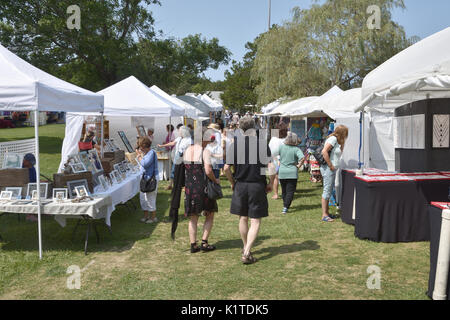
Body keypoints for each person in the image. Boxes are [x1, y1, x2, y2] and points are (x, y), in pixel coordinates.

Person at [224, 117, 275, 265]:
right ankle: (247, 252)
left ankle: (246, 247)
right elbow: (271, 167)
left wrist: (232, 182)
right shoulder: (262, 144)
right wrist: (271, 183)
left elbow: (226, 168)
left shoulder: (235, 145)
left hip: (241, 185)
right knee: (255, 220)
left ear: (240, 129)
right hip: (256, 185)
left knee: (243, 218)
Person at [183, 128, 219, 253]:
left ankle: (193, 244)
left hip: (189, 187)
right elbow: (208, 170)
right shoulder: (205, 151)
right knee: (209, 214)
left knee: (193, 217)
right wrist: (215, 180)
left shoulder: (187, 149)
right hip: (202, 187)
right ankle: (204, 242)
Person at [320, 125, 349, 222]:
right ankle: (324, 215)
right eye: (345, 133)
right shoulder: (333, 139)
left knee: (328, 190)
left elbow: (339, 152)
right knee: (327, 191)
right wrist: (330, 165)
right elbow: (324, 152)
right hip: (329, 169)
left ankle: (327, 213)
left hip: (331, 169)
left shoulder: (337, 140)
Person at [278, 132, 305, 214]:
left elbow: (275, 155)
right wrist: (299, 165)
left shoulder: (281, 147)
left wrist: (280, 162)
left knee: (284, 190)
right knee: (290, 191)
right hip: (292, 172)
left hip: (282, 172)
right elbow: (302, 158)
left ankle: (285, 205)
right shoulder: (296, 149)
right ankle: (286, 206)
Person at [136, 136, 159, 224]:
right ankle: (146, 216)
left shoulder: (151, 153)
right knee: (143, 198)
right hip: (145, 178)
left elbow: (144, 164)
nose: (140, 148)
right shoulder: (147, 153)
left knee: (150, 198)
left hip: (151, 179)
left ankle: (153, 217)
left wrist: (139, 156)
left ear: (144, 146)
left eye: (140, 146)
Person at [159, 123, 182, 190]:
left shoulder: (186, 138)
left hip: (182, 156)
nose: (178, 131)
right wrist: (163, 145)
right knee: (173, 170)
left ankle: (180, 185)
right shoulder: (178, 137)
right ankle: (171, 185)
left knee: (179, 171)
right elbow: (172, 143)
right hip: (177, 155)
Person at [268, 123, 288, 200]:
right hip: (285, 160)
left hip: (275, 160)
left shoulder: (273, 139)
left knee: (276, 177)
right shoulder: (286, 140)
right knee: (285, 178)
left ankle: (276, 194)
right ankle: (285, 193)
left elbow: (269, 150)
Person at [22, 153, 37, 222]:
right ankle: (29, 215)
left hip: (31, 186)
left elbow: (35, 180)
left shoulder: (32, 168)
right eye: (30, 163)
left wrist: (41, 181)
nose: (31, 165)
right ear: (25, 161)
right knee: (27, 192)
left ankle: (40, 210)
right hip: (23, 187)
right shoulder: (20, 168)